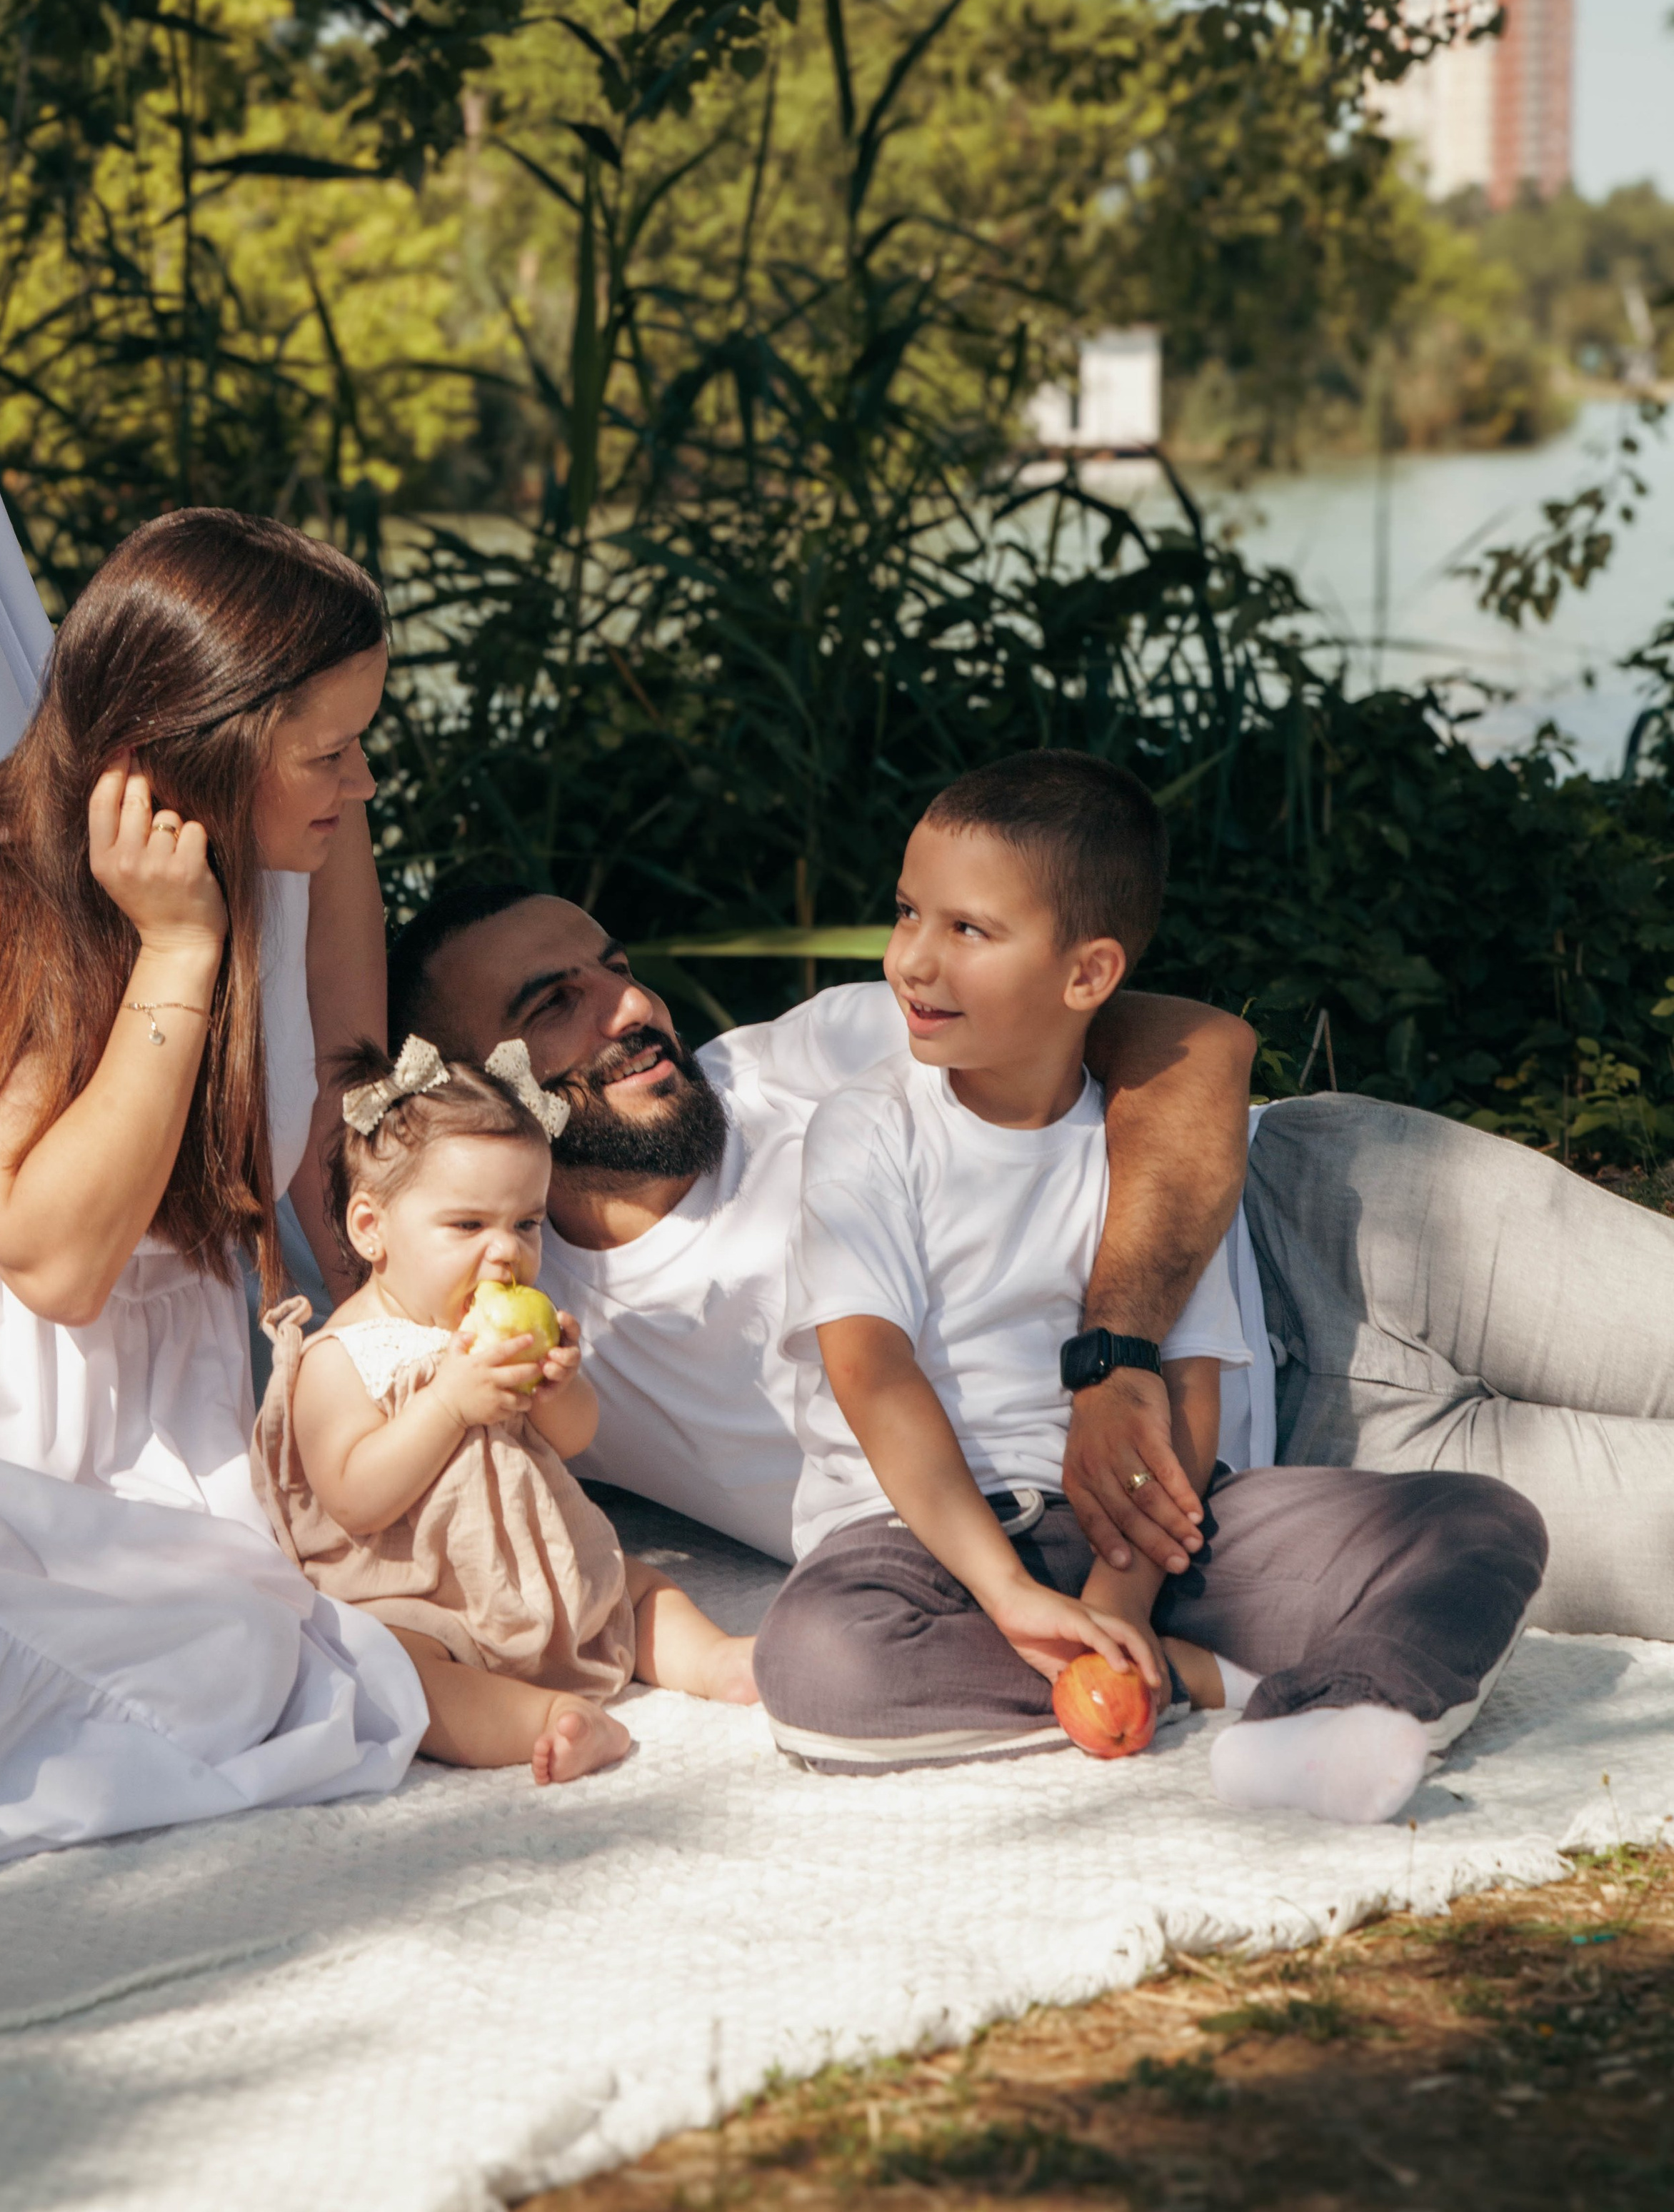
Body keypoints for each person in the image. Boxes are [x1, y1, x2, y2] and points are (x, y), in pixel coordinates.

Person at [750, 752, 1548, 1821]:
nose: (913, 962)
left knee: (1481, 1521)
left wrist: (1117, 1592)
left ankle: (1345, 1715)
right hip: (926, 1546)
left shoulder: (1152, 1142)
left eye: (968, 931)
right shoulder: (871, 1123)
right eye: (906, 914)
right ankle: (1209, 1682)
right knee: (819, 1667)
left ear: (1087, 976)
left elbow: (1189, 1384)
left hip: (1150, 1530)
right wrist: (1015, 1597)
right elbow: (870, 1367)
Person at [0, 510, 427, 1864]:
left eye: (361, 743)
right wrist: (177, 950)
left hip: (170, 1418)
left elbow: (346, 1144)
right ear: (186, 756)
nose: (361, 786)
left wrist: (408, 1367)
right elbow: (53, 1263)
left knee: (235, 1645)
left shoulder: (316, 850)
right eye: (327, 753)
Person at [388, 883, 1263, 1569]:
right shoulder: (511, 1313)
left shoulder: (806, 1060)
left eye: (619, 969)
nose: (632, 1009)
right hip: (1222, 1510)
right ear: (464, 1086)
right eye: (553, 1005)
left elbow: (1195, 1043)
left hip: (1292, 1227)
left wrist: (1119, 1356)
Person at [254, 1035, 758, 1784]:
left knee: (634, 1584)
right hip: (422, 1598)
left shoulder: (497, 1328)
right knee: (395, 1670)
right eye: (467, 1226)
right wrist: (449, 1405)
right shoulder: (341, 1356)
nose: (506, 1254)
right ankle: (549, 1722)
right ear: (371, 1229)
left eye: (525, 1224)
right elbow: (354, 1499)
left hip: (535, 1572)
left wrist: (560, 1388)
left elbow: (576, 1439)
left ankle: (719, 1662)